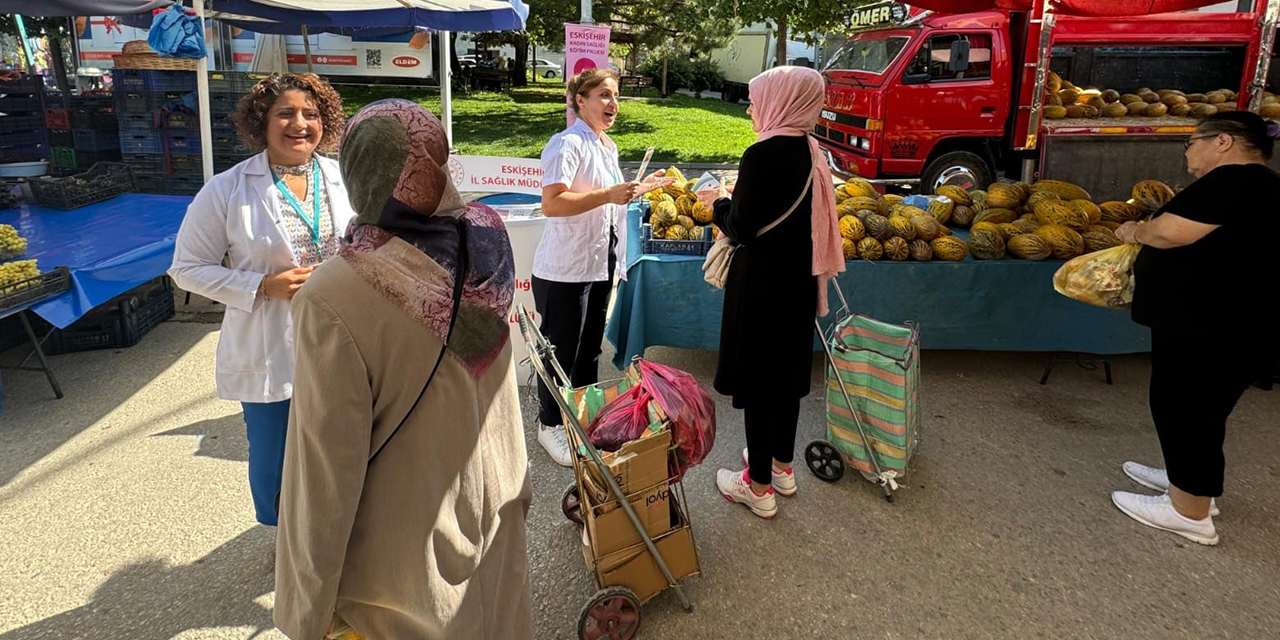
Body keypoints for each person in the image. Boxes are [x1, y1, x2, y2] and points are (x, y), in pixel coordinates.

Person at [275, 99, 532, 640]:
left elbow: (323, 471)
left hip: (404, 565)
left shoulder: (334, 294)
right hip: (498, 508)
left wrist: (306, 612)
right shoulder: (486, 237)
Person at [169, 73, 354, 527]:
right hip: (271, 342)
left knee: (343, 447)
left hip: (342, 337)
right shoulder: (226, 189)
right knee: (276, 458)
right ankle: (288, 543)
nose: (299, 124)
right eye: (285, 113)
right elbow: (186, 267)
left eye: (311, 114)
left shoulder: (342, 177)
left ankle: (339, 535)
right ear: (261, 121)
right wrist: (260, 286)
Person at [1111, 111, 1280, 546]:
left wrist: (1135, 230)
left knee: (1188, 406)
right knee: (1196, 408)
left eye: (1191, 142)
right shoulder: (1255, 185)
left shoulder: (1236, 181)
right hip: (1224, 322)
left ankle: (1189, 513)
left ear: (1222, 142)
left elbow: (1171, 233)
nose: (1189, 151)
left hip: (1216, 325)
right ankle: (1187, 483)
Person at [697, 66, 844, 519]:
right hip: (797, 283)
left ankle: (756, 486)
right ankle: (781, 467)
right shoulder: (811, 149)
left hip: (762, 286)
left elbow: (742, 226)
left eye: (759, 98)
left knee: (761, 382)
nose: (751, 106)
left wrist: (716, 204)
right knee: (785, 379)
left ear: (782, 100)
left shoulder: (763, 155)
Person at [532, 68, 669, 466]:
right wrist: (609, 193)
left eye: (616, 96)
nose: (613, 104)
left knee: (589, 349)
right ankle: (548, 425)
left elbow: (609, 201)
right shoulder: (567, 143)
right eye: (604, 96)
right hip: (565, 269)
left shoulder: (604, 145)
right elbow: (553, 203)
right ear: (580, 100)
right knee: (560, 351)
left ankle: (580, 416)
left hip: (599, 261)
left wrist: (638, 189)